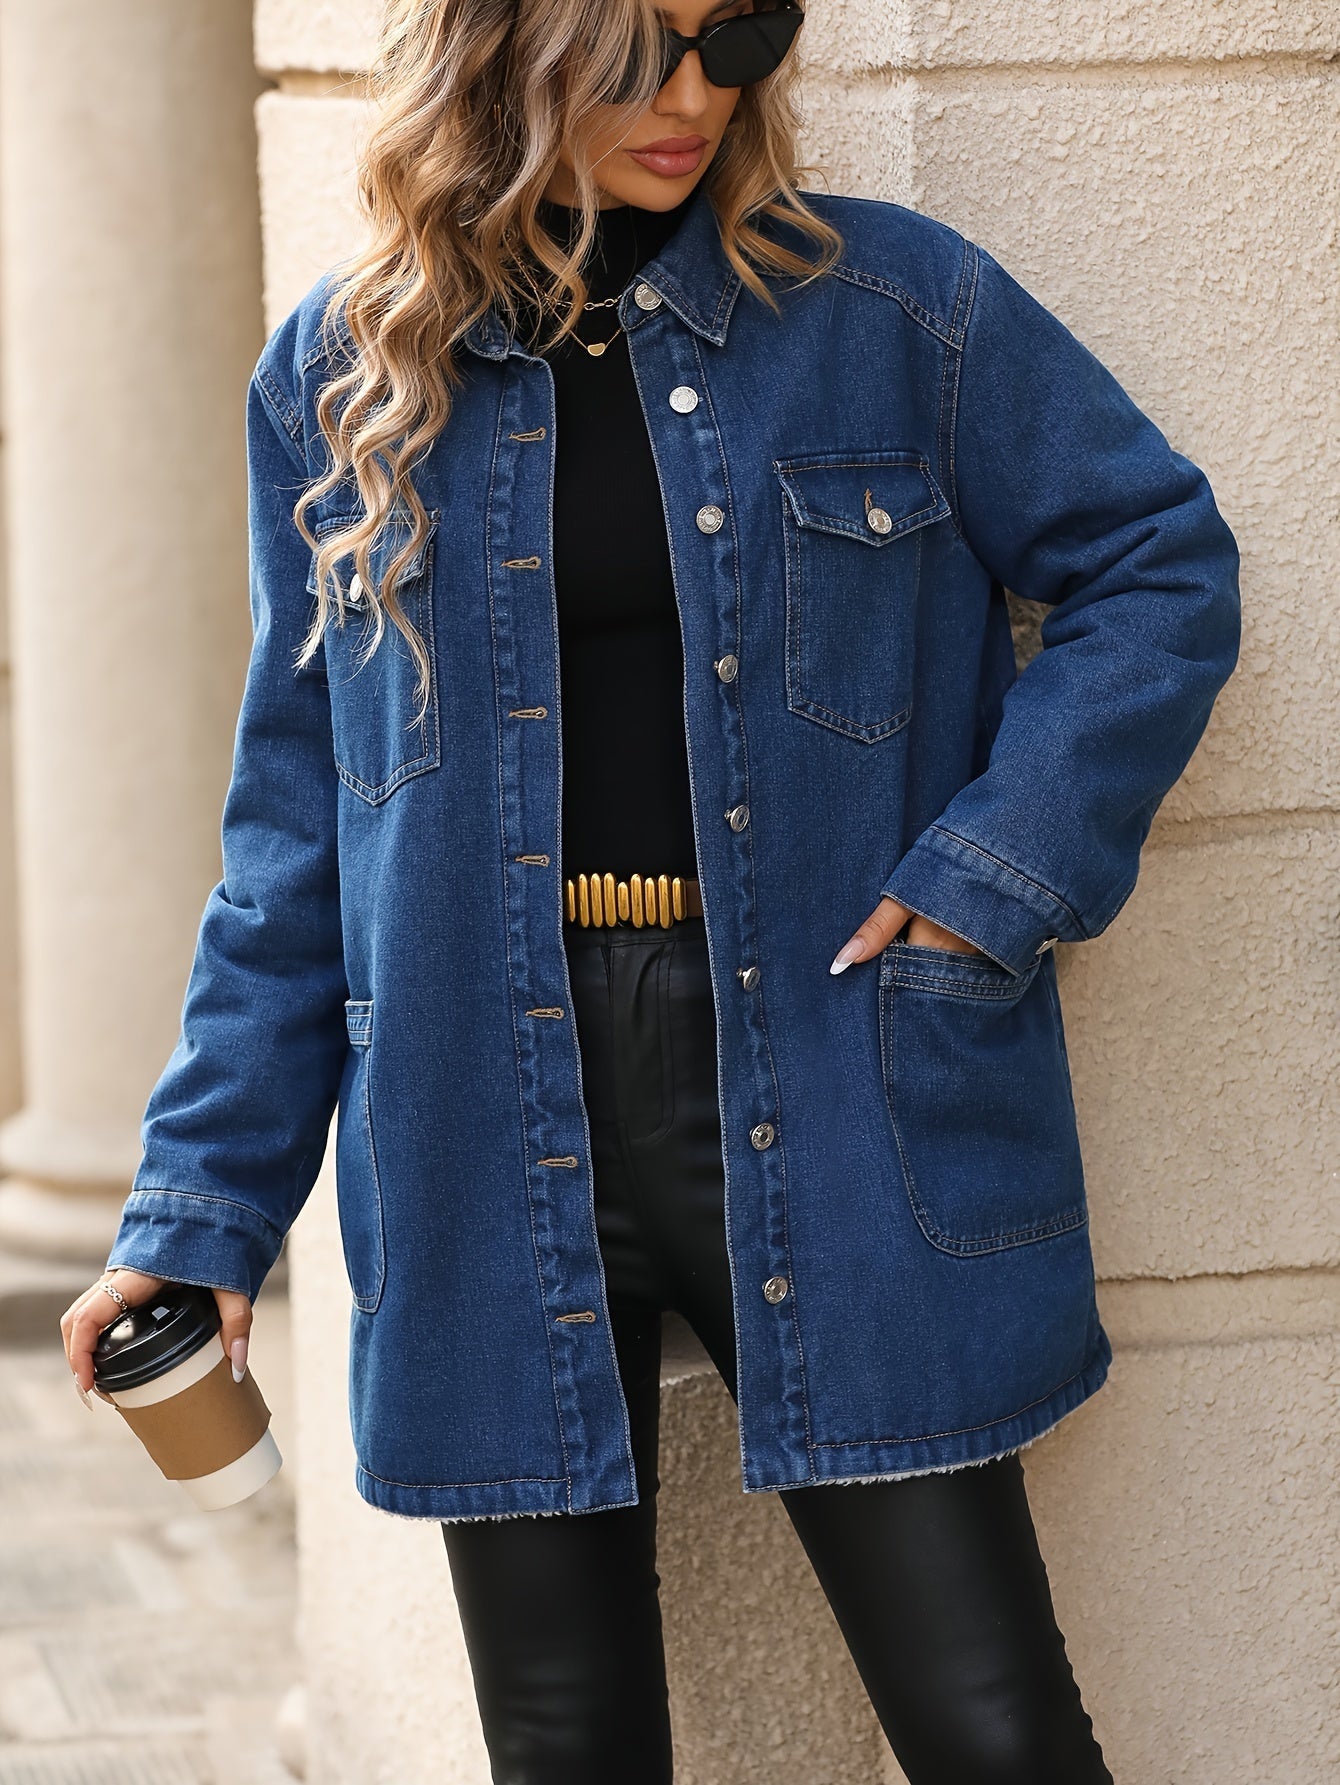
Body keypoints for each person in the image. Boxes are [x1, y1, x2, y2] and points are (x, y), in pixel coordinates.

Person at [63, 1, 1242, 1778]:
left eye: (735, 37)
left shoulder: (891, 313)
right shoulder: (344, 377)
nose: (695, 97)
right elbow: (296, 832)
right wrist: (200, 1204)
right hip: (481, 1101)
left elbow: (1159, 565)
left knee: (994, 1725)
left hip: (838, 1071)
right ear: (506, 48)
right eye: (638, 53)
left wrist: (988, 877)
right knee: (565, 1745)